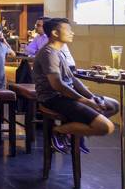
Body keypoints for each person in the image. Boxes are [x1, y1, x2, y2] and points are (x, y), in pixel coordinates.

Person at [32, 18, 119, 154]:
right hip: (53, 98)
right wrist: (85, 101)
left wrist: (92, 97)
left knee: (113, 105)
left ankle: (73, 129)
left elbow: (72, 78)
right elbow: (57, 85)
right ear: (55, 33)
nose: (72, 33)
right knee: (106, 127)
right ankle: (58, 131)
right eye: (68, 30)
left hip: (66, 95)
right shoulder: (48, 53)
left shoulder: (59, 51)